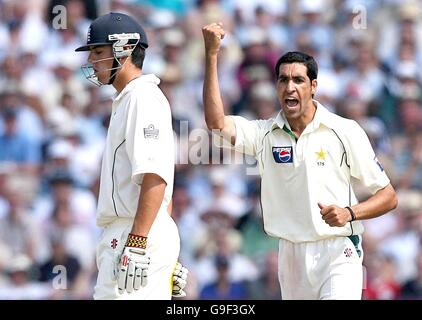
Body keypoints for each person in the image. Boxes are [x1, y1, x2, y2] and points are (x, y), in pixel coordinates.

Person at [202, 22, 398, 300]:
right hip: (290, 254)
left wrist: (349, 213)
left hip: (337, 249)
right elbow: (216, 124)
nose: (289, 87)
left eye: (298, 80)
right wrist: (211, 56)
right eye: (283, 80)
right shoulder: (263, 133)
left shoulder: (344, 130)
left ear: (313, 86)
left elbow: (389, 197)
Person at [75, 12, 187, 300]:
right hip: (132, 231)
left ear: (123, 50)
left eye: (98, 52)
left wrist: (139, 242)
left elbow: (155, 176)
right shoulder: (127, 98)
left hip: (134, 233)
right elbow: (161, 188)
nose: (91, 61)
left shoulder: (142, 97)